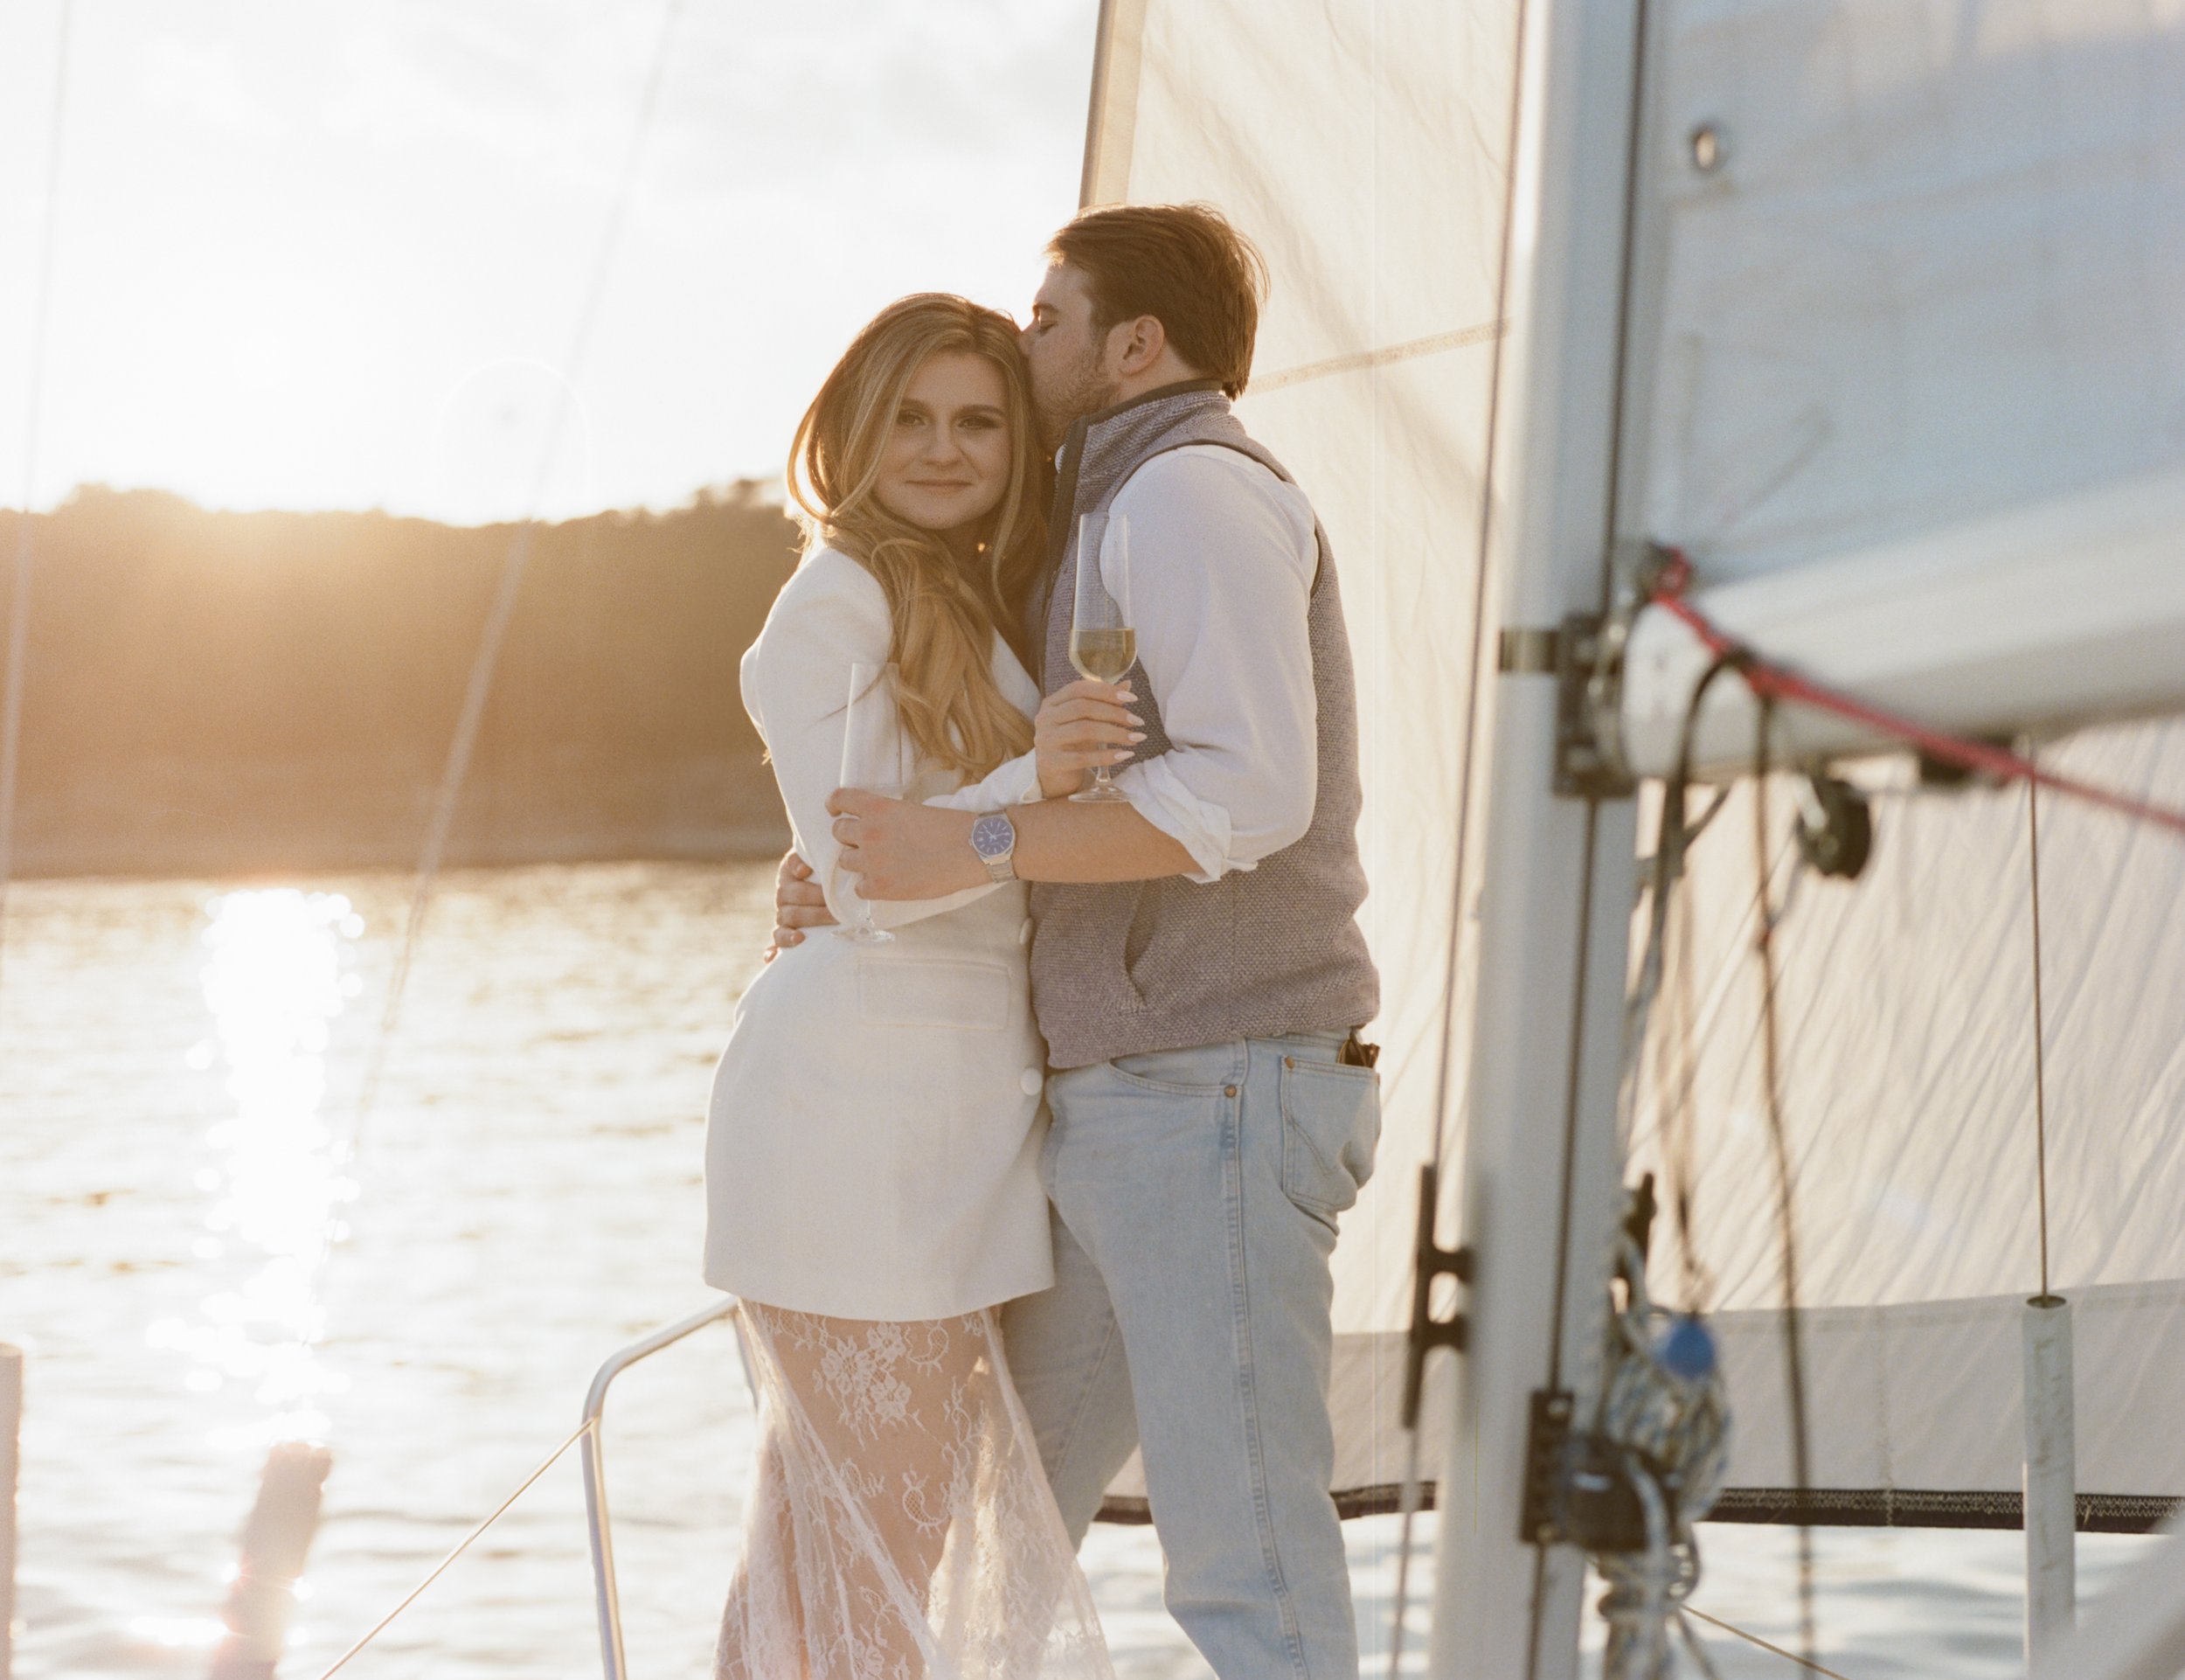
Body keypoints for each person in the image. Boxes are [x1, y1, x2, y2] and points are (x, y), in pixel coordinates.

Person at [778, 204, 1384, 1680]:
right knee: (1006, 1533)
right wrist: (835, 864)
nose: (1025, 334)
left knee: (1240, 1559)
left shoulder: (1185, 493)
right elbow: (993, 773)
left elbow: (1247, 789)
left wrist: (971, 841)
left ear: (1134, 343)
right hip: (1123, 1101)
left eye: (1047, 321)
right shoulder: (1095, 511)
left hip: (1216, 1092)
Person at [704, 293, 1114, 1680]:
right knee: (874, 1556)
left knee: (832, 1552)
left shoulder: (966, 593)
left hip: (938, 1129)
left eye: (978, 421)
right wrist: (1036, 782)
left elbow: (874, 837)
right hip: (851, 1134)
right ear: (857, 434)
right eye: (914, 419)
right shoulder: (833, 598)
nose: (945, 449)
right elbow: (870, 874)